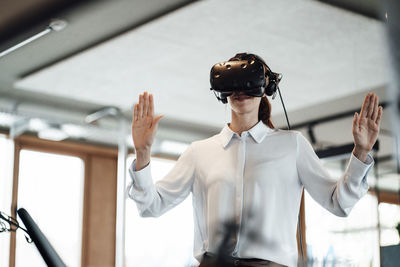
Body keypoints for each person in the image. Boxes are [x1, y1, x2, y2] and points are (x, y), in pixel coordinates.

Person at [127, 53, 383, 267]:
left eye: (248, 83)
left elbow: (338, 203)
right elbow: (152, 206)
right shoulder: (199, 152)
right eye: (233, 84)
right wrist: (142, 152)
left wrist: (360, 152)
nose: (240, 91)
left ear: (267, 88)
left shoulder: (291, 145)